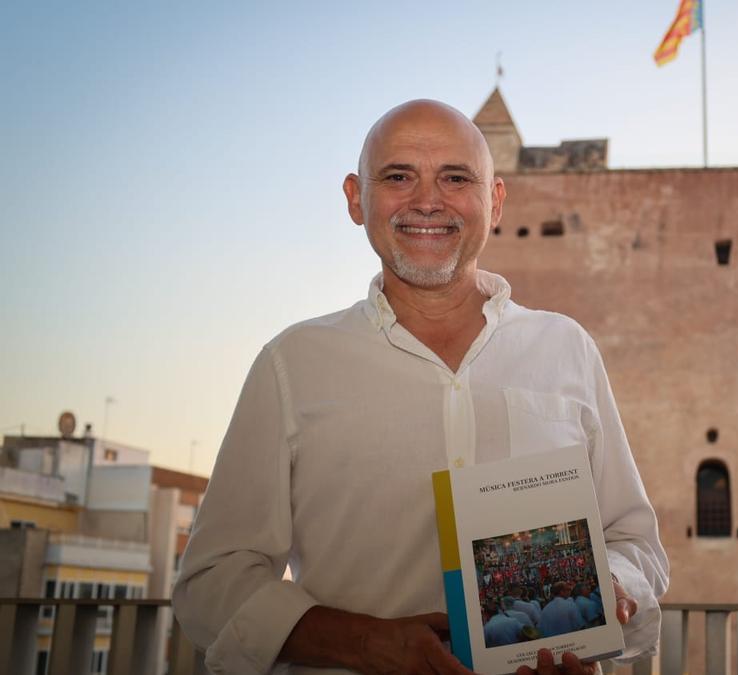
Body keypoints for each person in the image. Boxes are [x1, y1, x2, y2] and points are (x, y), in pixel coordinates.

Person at [171, 99, 669, 675]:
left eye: (455, 178)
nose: (427, 200)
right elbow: (213, 582)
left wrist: (608, 589)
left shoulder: (567, 349)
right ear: (357, 199)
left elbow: (636, 543)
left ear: (495, 201)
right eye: (399, 176)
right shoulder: (292, 363)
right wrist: (365, 644)